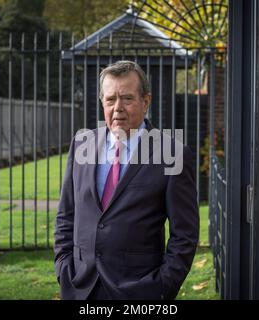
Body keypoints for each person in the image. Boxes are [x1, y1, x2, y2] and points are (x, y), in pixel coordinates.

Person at [54, 60, 199, 300]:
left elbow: (185, 234)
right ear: (103, 102)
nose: (118, 107)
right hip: (81, 287)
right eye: (110, 99)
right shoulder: (82, 144)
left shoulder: (172, 153)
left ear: (146, 102)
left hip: (139, 291)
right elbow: (66, 215)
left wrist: (162, 286)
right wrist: (64, 268)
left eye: (127, 98)